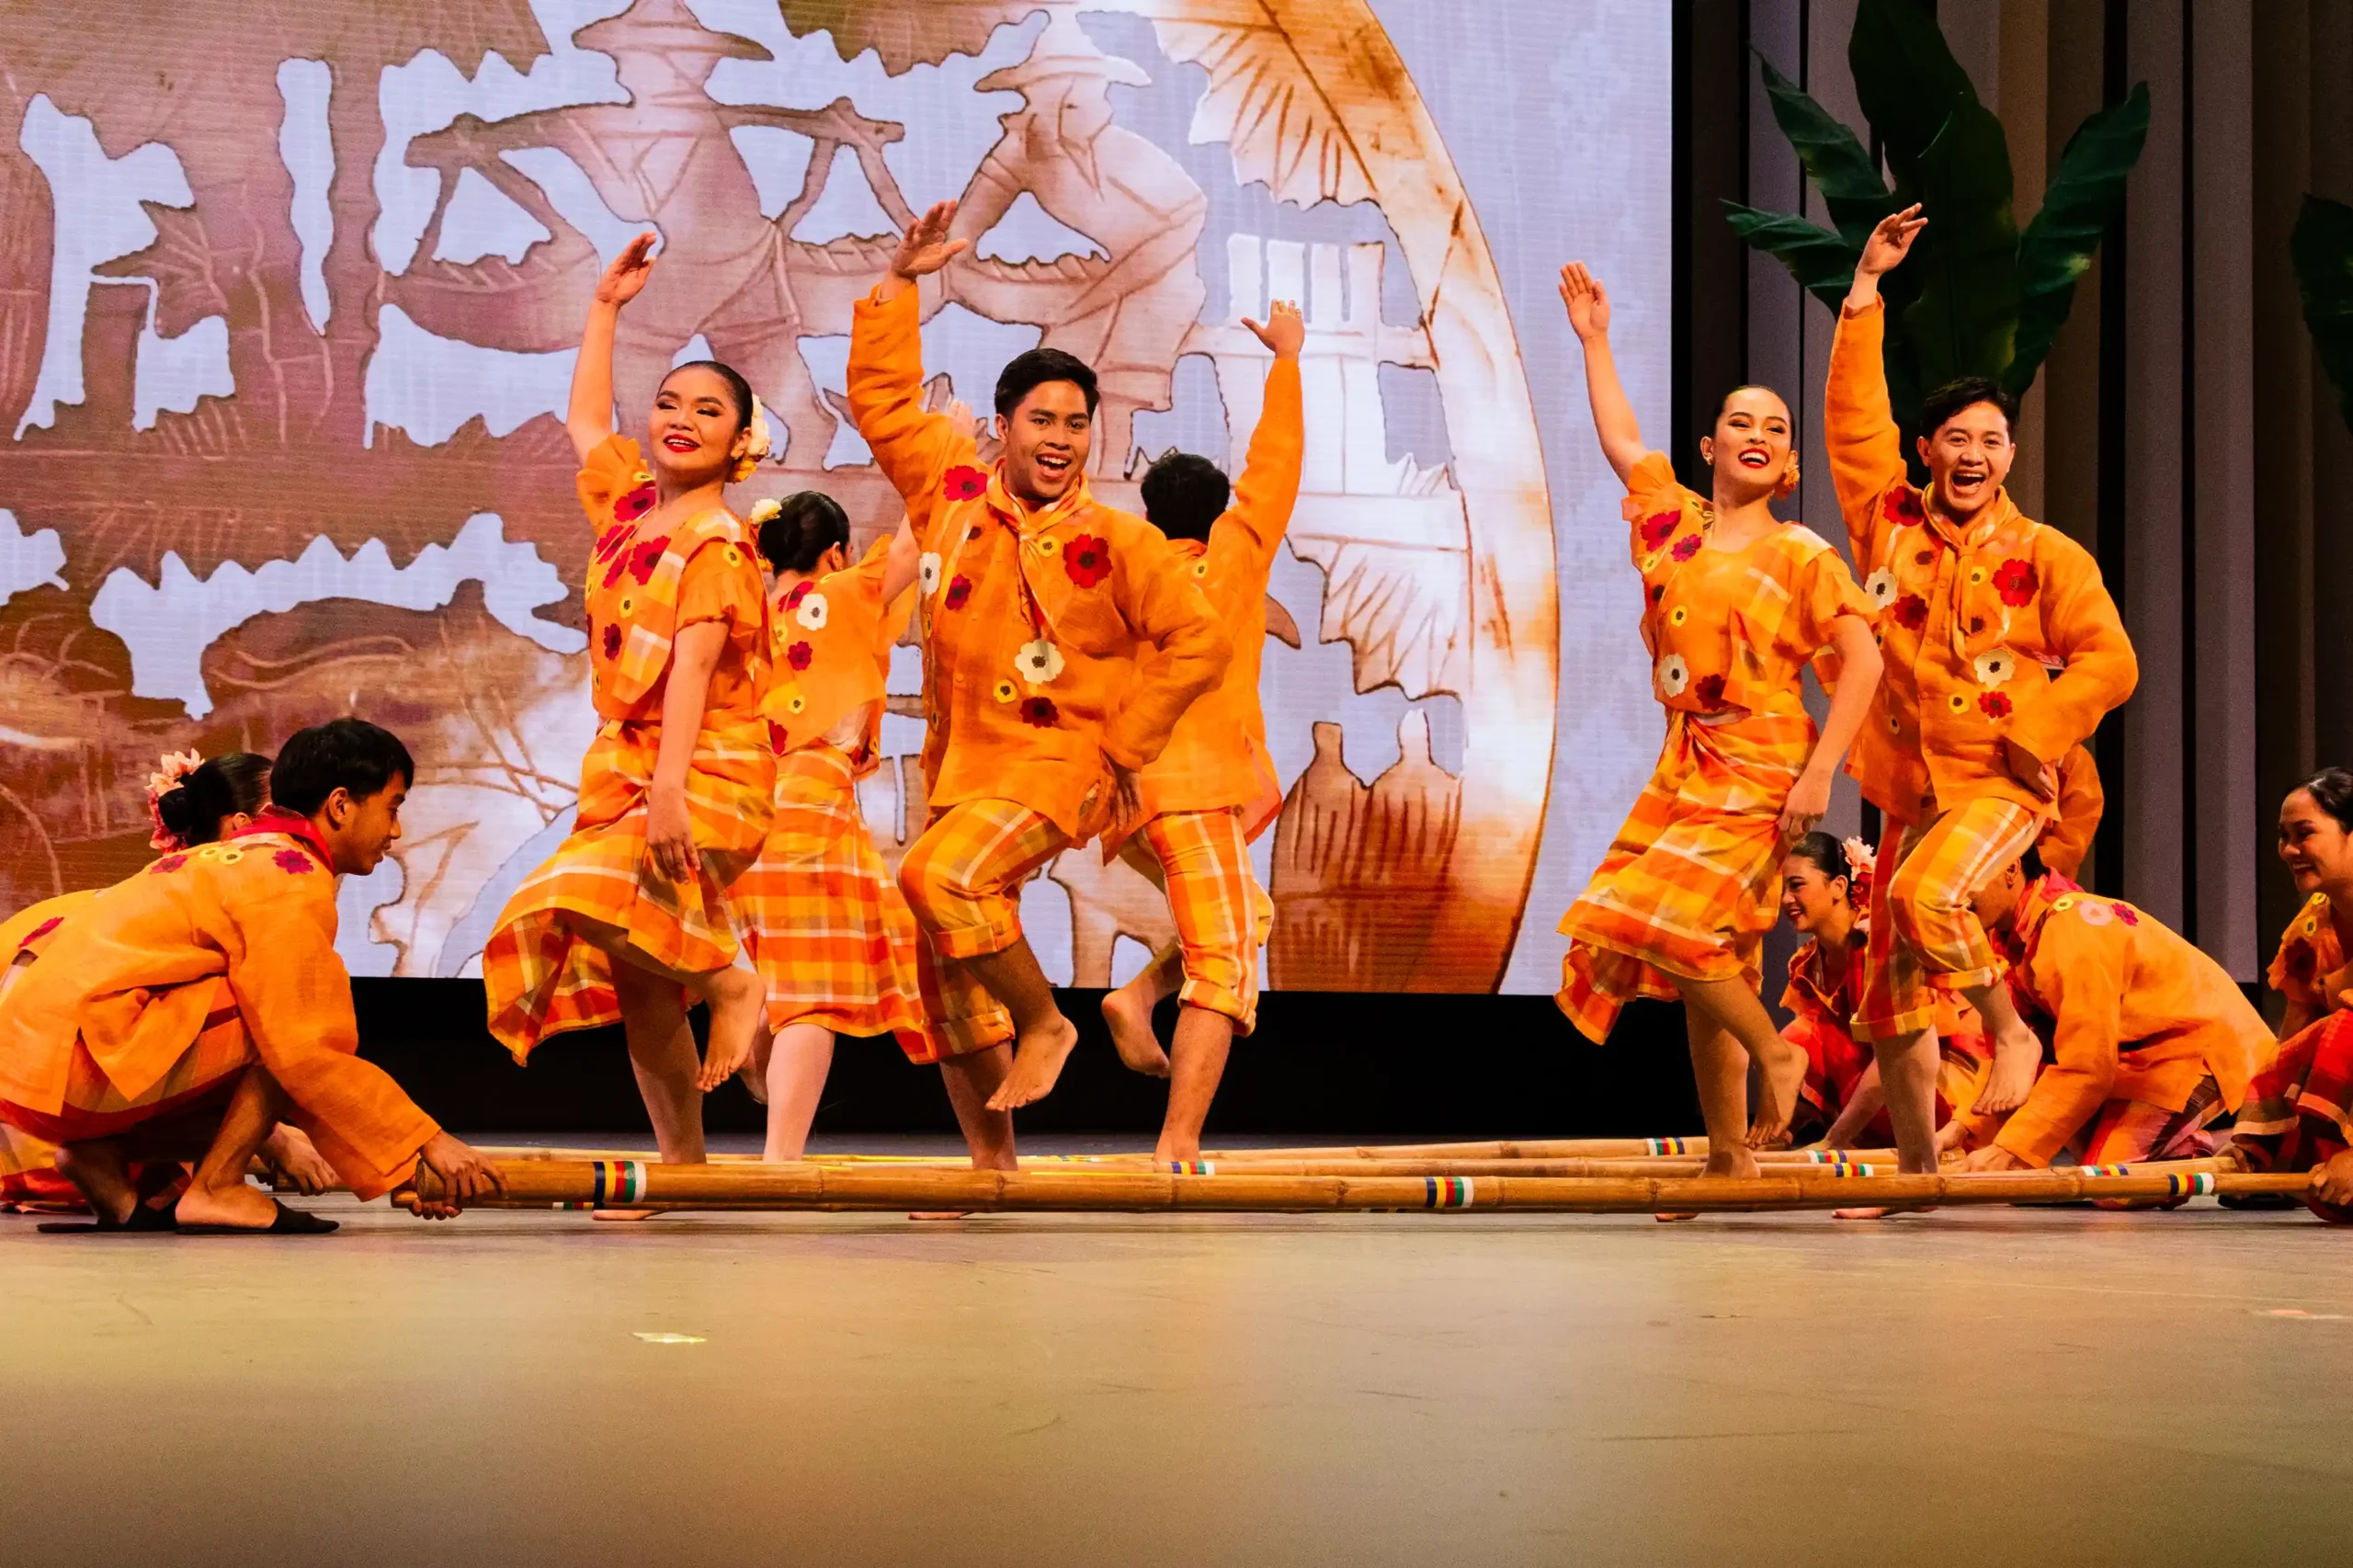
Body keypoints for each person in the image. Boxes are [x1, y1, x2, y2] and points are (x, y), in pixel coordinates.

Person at [848, 199, 1232, 1168]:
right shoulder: (951, 491)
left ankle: (1047, 1022)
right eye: (1043, 420)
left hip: (1059, 764)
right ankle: (994, 1169)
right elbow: (884, 404)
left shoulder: (1119, 539)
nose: (1061, 438)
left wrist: (1125, 746)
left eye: (1077, 423)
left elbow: (1198, 642)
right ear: (1002, 427)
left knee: (935, 875)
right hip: (960, 768)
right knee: (945, 969)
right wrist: (899, 283)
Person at [1826, 206, 2138, 1187]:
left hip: (2003, 780)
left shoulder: (2045, 554)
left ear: (2009, 455)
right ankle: (1917, 1174)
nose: (1974, 455)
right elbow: (1853, 422)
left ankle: (2011, 1034)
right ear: (1926, 450)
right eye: (1957, 438)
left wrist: (2035, 736)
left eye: (1993, 441)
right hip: (1911, 791)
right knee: (1888, 985)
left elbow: (2110, 661)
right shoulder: (1886, 521)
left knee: (1924, 894)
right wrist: (1865, 288)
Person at [1552, 261, 1883, 1178]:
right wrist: (1594, 340)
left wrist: (1819, 775)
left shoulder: (1802, 553)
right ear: (1709, 446)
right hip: (1686, 761)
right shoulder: (1675, 527)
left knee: (1650, 918)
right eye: (1742, 422)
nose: (1759, 435)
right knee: (1715, 959)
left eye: (1775, 429)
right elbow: (1621, 440)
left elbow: (1863, 661)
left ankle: (1778, 1055)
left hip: (1764, 757)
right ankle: (1730, 1156)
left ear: (1790, 462)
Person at [482, 232, 777, 1176]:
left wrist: (671, 793)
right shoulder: (629, 515)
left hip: (705, 770)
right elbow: (583, 419)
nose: (681, 419)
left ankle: (730, 980)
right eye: (669, 403)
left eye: (708, 410)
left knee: (566, 892)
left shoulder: (717, 543)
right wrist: (605, 308)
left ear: (740, 442)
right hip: (631, 766)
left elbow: (691, 673)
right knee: (643, 987)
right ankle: (684, 1165)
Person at [0, 720, 503, 1233]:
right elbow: (307, 1050)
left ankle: (102, 1154)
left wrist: (401, 1165)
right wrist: (427, 1141)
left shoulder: (237, 859)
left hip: (33, 1074)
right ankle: (217, 1187)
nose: (396, 831)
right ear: (340, 805)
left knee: (281, 1024)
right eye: (392, 808)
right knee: (283, 1022)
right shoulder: (286, 877)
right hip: (75, 1066)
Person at [1097, 299, 1304, 1163]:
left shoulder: (1123, 572)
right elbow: (1274, 470)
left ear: (1150, 516)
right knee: (1224, 960)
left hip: (1130, 800)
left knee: (1248, 916)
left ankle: (1137, 996)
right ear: (1218, 516)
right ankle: (1176, 1143)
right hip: (1192, 791)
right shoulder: (1231, 561)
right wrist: (1286, 360)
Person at [0, 749, 336, 1211]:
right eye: (286, 817)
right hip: (42, 1137)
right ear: (242, 828)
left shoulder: (131, 897)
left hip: (26, 1114)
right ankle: (199, 1185)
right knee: (280, 1010)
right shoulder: (212, 911)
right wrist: (272, 1138)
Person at [734, 488, 927, 1160]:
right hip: (810, 803)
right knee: (812, 994)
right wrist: (947, 455)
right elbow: (914, 541)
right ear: (837, 553)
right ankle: (780, 1162)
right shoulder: (841, 595)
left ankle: (757, 1030)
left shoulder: (747, 614)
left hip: (745, 801)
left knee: (786, 977)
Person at [1938, 848, 2268, 1188]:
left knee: (2113, 1186)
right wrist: (1959, 1128)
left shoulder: (2071, 927)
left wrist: (2009, 1150)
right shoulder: (2007, 936)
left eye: (1965, 879)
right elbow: (2015, 1049)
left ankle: (2228, 1148)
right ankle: (2166, 1149)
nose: (1954, 896)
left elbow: (2087, 1065)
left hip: (2189, 1045)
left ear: (2011, 868)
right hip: (2130, 1055)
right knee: (2091, 1168)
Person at [1777, 833, 1991, 1149]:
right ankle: (1774, 1133)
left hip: (1943, 1083)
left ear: (1839, 886)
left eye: (1796, 885)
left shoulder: (1878, 944)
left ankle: (1848, 1139)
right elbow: (1804, 1051)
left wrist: (1834, 1139)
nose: (1785, 899)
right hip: (1880, 1076)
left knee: (1840, 1037)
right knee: (1799, 1037)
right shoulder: (1806, 964)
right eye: (1782, 888)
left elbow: (1902, 1047)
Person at [2226, 770, 2353, 1216]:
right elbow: (2289, 1048)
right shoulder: (2310, 930)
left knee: (2345, 1028)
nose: (2289, 850)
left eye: (2305, 834)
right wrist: (2252, 1143)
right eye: (2284, 837)